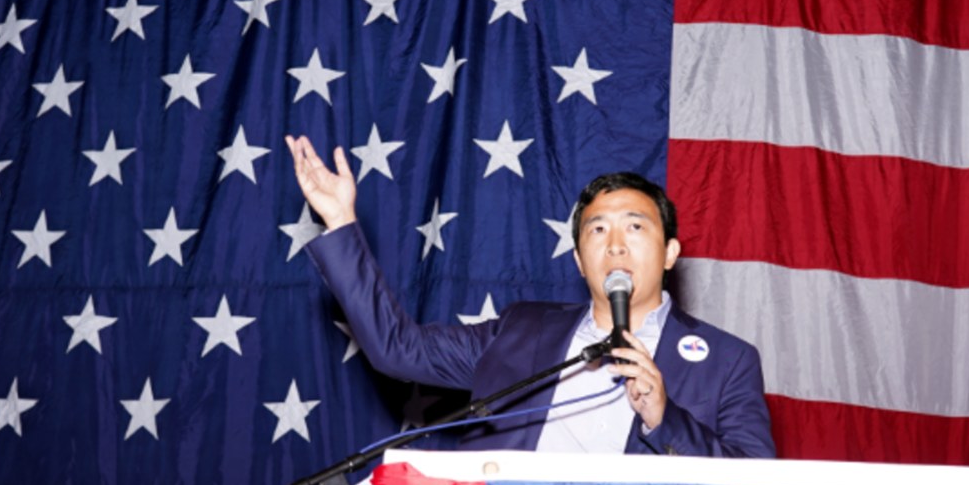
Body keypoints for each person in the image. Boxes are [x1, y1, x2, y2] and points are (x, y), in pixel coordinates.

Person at [286, 135, 775, 458]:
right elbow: (397, 349)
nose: (616, 243)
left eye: (635, 227)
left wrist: (665, 419)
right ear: (581, 261)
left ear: (670, 253)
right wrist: (341, 222)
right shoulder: (522, 330)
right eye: (597, 229)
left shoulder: (728, 361)